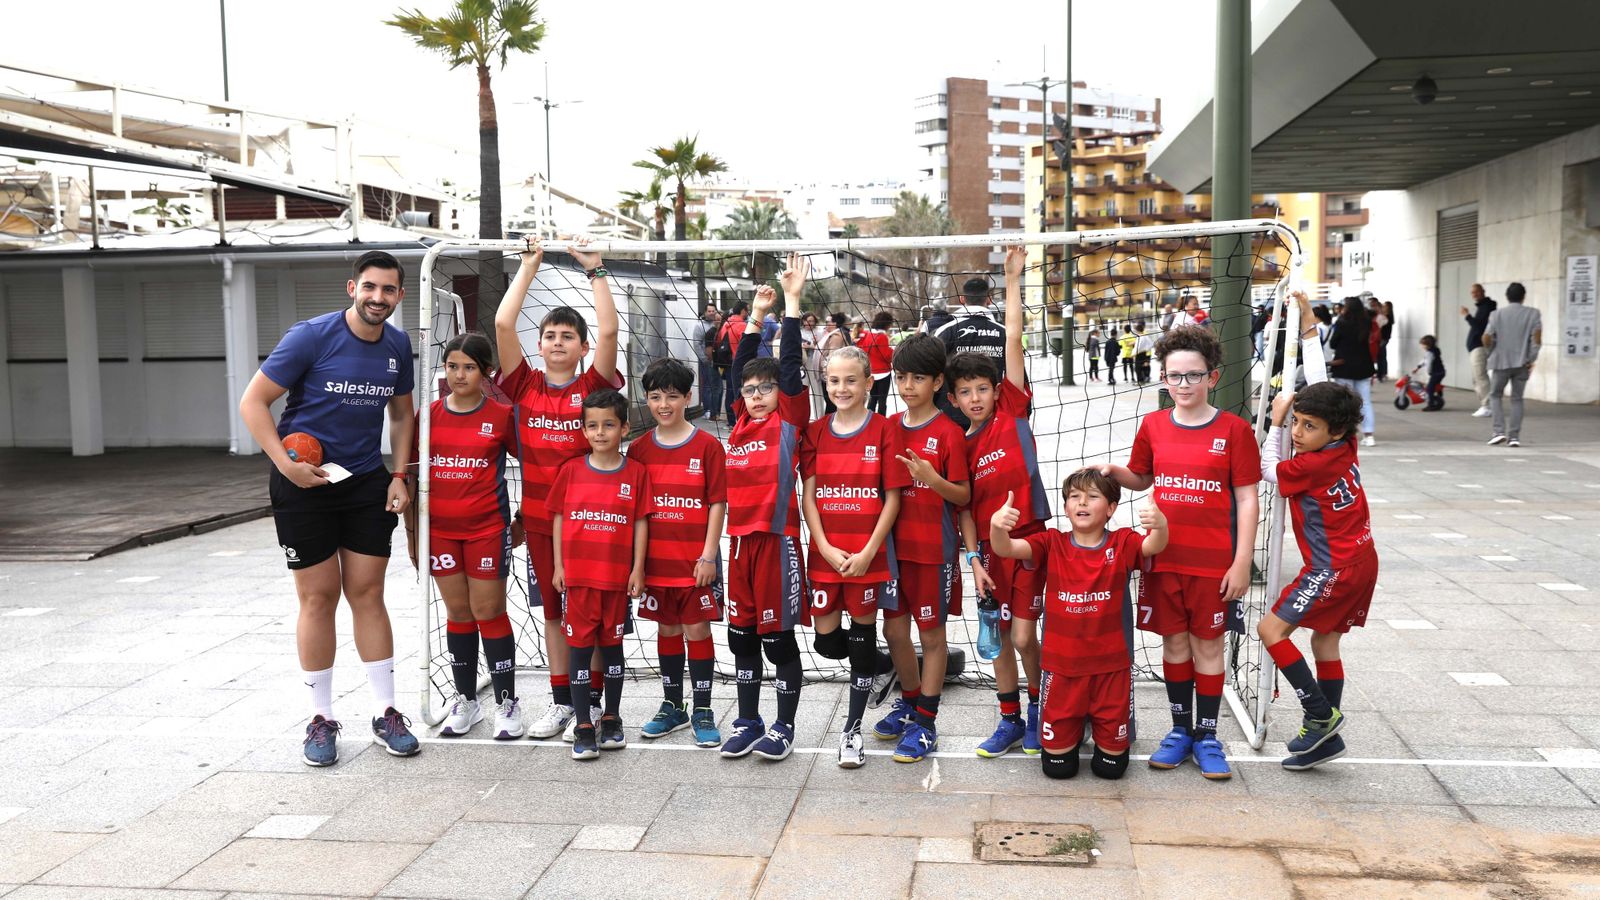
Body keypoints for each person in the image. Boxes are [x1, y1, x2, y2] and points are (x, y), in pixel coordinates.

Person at [239, 249, 420, 767]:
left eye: (388, 290)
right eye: (370, 287)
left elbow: (402, 416)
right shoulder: (311, 336)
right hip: (304, 484)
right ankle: (320, 719)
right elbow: (253, 402)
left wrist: (400, 475)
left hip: (365, 483)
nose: (378, 298)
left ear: (399, 295)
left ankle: (385, 712)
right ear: (352, 288)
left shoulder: (397, 345)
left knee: (368, 593)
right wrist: (286, 465)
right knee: (318, 598)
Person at [1101, 324, 1261, 780]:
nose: (1184, 384)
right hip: (1163, 560)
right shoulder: (1153, 425)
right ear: (1164, 378)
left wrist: (1241, 562)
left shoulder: (1234, 430)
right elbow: (1142, 477)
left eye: (1194, 375)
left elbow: (1247, 498)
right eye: (1175, 376)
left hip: (1213, 564)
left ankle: (1207, 736)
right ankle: (1179, 730)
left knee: (1207, 646)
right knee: (1173, 644)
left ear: (1213, 377)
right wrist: (1113, 471)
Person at [492, 236, 623, 740]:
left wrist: (596, 270)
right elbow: (504, 324)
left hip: (595, 525)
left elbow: (609, 329)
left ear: (583, 348)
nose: (558, 342)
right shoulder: (524, 385)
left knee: (591, 618)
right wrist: (528, 266)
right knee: (554, 613)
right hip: (543, 523)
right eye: (550, 335)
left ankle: (593, 702)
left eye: (569, 336)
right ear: (540, 344)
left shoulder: (593, 389)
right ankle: (563, 701)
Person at [989, 468, 1168, 780]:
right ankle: (1075, 725)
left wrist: (1160, 526)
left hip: (1111, 671)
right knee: (1058, 770)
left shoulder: (1123, 542)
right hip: (1062, 672)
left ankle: (1097, 726)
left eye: (1092, 496)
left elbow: (1153, 546)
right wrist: (996, 527)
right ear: (1065, 507)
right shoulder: (1051, 543)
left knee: (1110, 770)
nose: (1082, 502)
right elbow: (1006, 548)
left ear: (1111, 508)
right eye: (1074, 496)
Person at [952, 246, 1051, 759]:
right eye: (965, 392)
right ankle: (1009, 718)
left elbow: (1012, 338)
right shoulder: (959, 446)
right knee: (996, 635)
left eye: (982, 389)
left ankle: (1040, 710)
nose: (975, 398)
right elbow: (965, 510)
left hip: (1030, 541)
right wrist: (973, 560)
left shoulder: (1012, 412)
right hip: (989, 552)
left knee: (1024, 636)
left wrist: (1012, 281)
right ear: (954, 399)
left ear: (996, 391)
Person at [404, 332, 522, 740]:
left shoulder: (502, 416)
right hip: (440, 533)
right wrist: (413, 537)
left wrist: (523, 518)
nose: (459, 374)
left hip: (487, 529)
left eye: (469, 367)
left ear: (486, 372)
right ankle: (466, 701)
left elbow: (535, 467)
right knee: (458, 613)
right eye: (452, 366)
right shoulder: (428, 416)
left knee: (489, 611)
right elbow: (413, 477)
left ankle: (507, 702)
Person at [720, 256, 813, 762]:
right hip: (739, 545)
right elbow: (740, 369)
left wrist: (791, 303)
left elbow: (791, 367)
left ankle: (784, 726)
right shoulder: (740, 420)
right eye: (751, 391)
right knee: (741, 639)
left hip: (777, 543)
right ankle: (749, 719)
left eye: (766, 389)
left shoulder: (788, 421)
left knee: (778, 641)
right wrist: (755, 315)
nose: (756, 396)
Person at [1259, 376, 1377, 770]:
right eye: (1296, 422)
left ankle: (1320, 714)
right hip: (1362, 559)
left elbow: (1269, 470)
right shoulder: (1346, 446)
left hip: (1333, 567)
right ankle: (1325, 741)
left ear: (1336, 431)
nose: (1297, 432)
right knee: (1325, 642)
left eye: (1309, 426)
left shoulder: (1312, 464)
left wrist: (1276, 421)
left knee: (1270, 631)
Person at [800, 345, 909, 768]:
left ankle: (852, 731)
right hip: (826, 555)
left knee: (861, 636)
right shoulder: (815, 432)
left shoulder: (884, 430)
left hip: (867, 557)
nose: (841, 388)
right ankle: (884, 665)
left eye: (850, 380)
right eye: (833, 380)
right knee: (826, 642)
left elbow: (892, 499)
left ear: (868, 383)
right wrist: (824, 547)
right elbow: (809, 497)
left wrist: (868, 552)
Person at [872, 334, 970, 763]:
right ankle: (910, 702)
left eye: (917, 378)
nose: (907, 385)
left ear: (937, 382)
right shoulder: (888, 426)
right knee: (894, 632)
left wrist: (933, 479)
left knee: (932, 637)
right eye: (900, 377)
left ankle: (926, 722)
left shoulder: (949, 432)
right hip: (893, 552)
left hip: (932, 552)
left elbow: (964, 495)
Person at [629, 358, 728, 748]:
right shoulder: (638, 450)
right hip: (657, 563)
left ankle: (702, 709)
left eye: (672, 396)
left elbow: (717, 503)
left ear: (688, 397)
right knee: (666, 629)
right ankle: (673, 706)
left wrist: (709, 555)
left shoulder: (708, 447)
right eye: (655, 397)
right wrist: (636, 565)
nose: (663, 405)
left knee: (697, 630)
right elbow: (637, 513)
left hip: (695, 563)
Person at [549, 389, 652, 760]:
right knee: (579, 652)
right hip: (579, 581)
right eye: (592, 426)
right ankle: (582, 725)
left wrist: (637, 568)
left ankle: (612, 717)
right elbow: (559, 518)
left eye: (608, 425)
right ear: (583, 430)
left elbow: (641, 523)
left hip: (616, 581)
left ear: (624, 428)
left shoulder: (636, 473)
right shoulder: (570, 471)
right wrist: (559, 565)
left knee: (612, 650)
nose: (600, 432)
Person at [930, 276, 1007, 429]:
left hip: (952, 416)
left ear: (962, 299)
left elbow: (931, 374)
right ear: (989, 299)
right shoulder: (1005, 332)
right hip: (993, 417)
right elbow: (1018, 380)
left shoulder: (945, 331)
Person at [1483, 281, 1542, 448]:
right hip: (1522, 363)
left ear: (1507, 297)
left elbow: (1487, 337)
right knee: (1517, 399)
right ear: (1524, 297)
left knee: (1495, 395)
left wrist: (1490, 353)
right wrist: (1530, 359)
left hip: (1500, 362)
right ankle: (1514, 437)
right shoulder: (1533, 314)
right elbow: (1537, 339)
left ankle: (1498, 431)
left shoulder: (1496, 315)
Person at [1326, 297, 1376, 447]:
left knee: (1344, 401)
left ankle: (1346, 433)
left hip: (1344, 365)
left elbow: (1333, 343)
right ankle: (1369, 435)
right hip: (1363, 365)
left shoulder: (1342, 322)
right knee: (1365, 401)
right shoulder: (1366, 322)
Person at [1461, 284, 1497, 417]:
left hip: (1479, 347)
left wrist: (1467, 316)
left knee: (1480, 376)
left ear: (1483, 291)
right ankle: (1486, 404)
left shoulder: (1487, 307)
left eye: (1476, 292)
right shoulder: (1483, 307)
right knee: (1477, 378)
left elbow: (1479, 326)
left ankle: (1488, 406)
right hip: (1475, 347)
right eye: (1472, 292)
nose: (1474, 294)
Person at [716, 301, 749, 423]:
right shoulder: (742, 325)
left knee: (729, 391)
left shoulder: (726, 324)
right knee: (740, 391)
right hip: (739, 363)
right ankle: (741, 420)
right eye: (747, 310)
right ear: (743, 311)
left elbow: (719, 340)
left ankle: (731, 421)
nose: (748, 312)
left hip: (726, 362)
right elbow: (746, 346)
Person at [858, 311, 894, 415]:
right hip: (883, 373)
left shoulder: (868, 335)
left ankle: (869, 418)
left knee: (872, 398)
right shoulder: (882, 337)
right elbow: (887, 356)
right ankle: (881, 420)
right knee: (882, 401)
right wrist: (893, 351)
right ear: (886, 324)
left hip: (872, 372)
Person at [694, 306, 724, 423]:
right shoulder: (703, 328)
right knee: (709, 386)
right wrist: (705, 359)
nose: (711, 313)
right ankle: (709, 411)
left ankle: (715, 412)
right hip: (709, 362)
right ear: (705, 312)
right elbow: (698, 344)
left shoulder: (720, 330)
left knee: (718, 388)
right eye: (709, 311)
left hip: (718, 364)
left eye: (713, 311)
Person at [818, 313, 850, 417]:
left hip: (832, 375)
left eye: (827, 322)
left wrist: (826, 374)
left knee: (831, 403)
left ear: (835, 323)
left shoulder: (836, 336)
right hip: (834, 374)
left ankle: (829, 423)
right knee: (831, 402)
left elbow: (832, 357)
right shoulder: (834, 334)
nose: (825, 324)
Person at [1418, 335, 1446, 411]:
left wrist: (1428, 372)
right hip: (1441, 372)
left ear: (1428, 344)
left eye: (1423, 344)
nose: (1422, 346)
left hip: (1436, 373)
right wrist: (1419, 366)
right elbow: (1425, 360)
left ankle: (1431, 405)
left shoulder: (1429, 353)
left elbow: (1428, 363)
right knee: (1435, 385)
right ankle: (1439, 398)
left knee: (1429, 388)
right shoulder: (1435, 350)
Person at [1367, 297, 1391, 382]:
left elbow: (1381, 325)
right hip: (1376, 339)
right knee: (1379, 356)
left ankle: (1381, 374)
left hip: (1379, 339)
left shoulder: (1381, 317)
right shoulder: (1377, 316)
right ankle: (1380, 374)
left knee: (1380, 356)